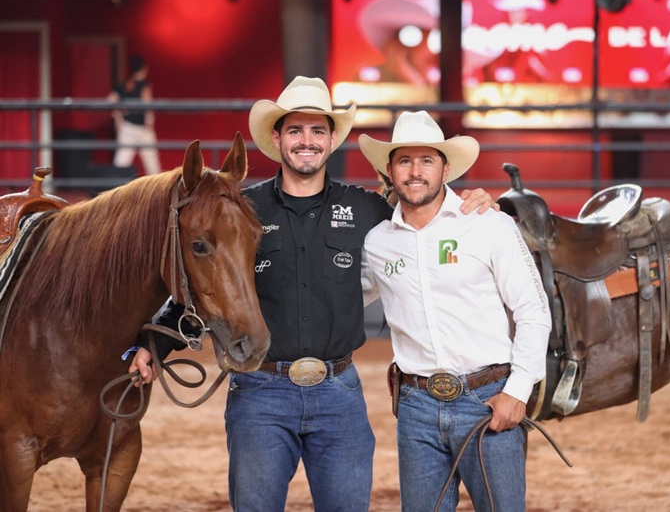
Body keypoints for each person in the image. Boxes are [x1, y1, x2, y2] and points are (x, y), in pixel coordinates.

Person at [127, 76, 496, 511]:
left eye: (318, 130)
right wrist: (155, 343)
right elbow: (206, 278)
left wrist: (473, 203)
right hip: (261, 391)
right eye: (296, 130)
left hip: (338, 392)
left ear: (333, 138)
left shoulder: (369, 210)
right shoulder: (243, 209)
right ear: (277, 138)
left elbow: (427, 219)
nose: (307, 141)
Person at [359, 110, 552, 511]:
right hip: (416, 406)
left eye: (426, 160)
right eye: (404, 161)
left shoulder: (488, 225)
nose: (415, 171)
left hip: (486, 400)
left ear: (445, 168)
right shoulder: (377, 242)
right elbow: (344, 297)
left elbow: (533, 309)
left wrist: (517, 392)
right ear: (390, 171)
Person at [107, 55, 161, 175]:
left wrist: (118, 116)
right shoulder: (144, 85)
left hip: (127, 127)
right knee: (152, 165)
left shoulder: (124, 85)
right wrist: (150, 122)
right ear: (144, 69)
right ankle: (160, 192)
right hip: (143, 129)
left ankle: (116, 192)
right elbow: (148, 105)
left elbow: (110, 101)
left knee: (121, 164)